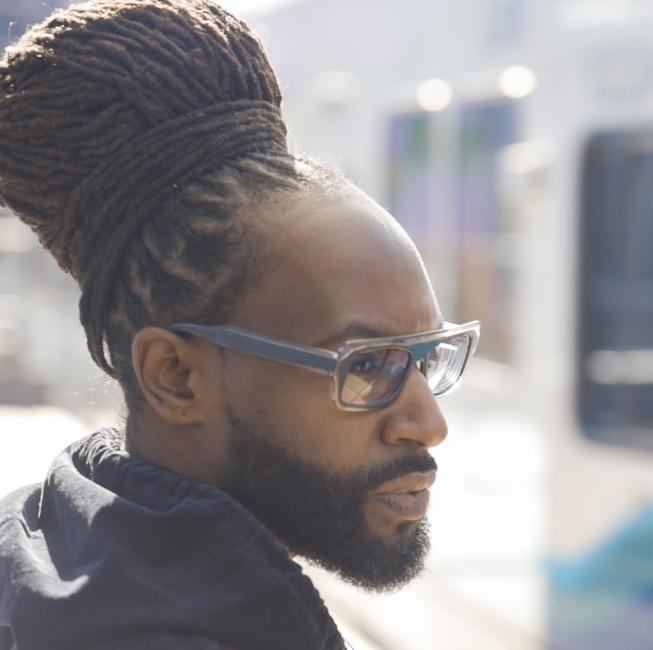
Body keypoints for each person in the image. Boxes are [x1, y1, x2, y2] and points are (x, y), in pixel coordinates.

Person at [0, 1, 479, 648]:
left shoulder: (36, 540)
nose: (428, 424)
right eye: (366, 365)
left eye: (426, 358)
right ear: (176, 377)